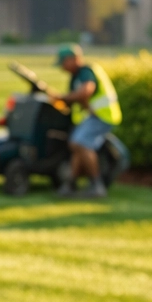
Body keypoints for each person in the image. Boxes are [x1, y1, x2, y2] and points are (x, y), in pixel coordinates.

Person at [50, 43, 121, 198]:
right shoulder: (75, 77)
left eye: (63, 62)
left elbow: (85, 92)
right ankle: (70, 185)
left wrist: (62, 97)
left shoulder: (86, 72)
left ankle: (97, 187)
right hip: (92, 118)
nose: (62, 67)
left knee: (79, 143)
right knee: (77, 146)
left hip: (102, 116)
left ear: (72, 59)